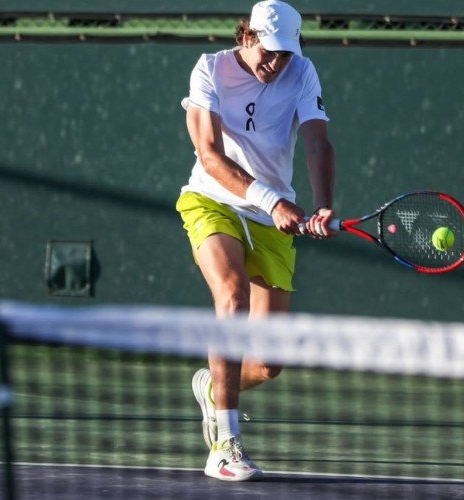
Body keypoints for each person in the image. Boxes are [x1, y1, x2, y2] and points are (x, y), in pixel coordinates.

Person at [176, 0, 337, 482]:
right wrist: (273, 202)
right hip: (213, 201)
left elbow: (316, 141)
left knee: (267, 363)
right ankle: (225, 446)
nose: (275, 62)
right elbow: (208, 155)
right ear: (246, 37)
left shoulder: (302, 73)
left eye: (284, 54)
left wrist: (323, 202)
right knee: (232, 295)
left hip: (272, 218)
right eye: (267, 51)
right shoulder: (208, 69)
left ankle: (213, 387)